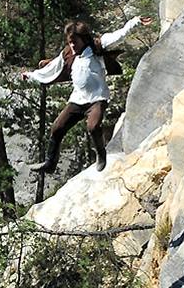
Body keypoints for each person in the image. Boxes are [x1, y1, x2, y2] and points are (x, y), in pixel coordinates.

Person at [22, 15, 153, 173]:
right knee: (57, 127)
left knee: (93, 126)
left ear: (83, 39)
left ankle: (101, 153)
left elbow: (120, 34)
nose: (72, 46)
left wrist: (135, 21)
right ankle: (50, 163)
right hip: (77, 100)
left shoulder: (97, 46)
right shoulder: (68, 54)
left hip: (97, 99)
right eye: (70, 42)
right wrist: (31, 75)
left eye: (75, 42)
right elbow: (51, 69)